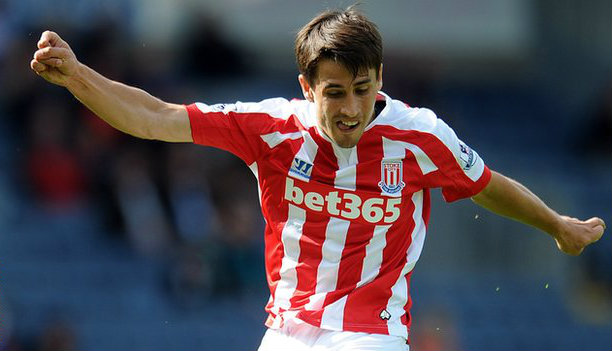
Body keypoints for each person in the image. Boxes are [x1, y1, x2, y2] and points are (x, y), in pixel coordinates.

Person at [30, 7, 605, 351]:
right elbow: (155, 117)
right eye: (335, 92)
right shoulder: (273, 128)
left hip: (372, 335)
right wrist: (80, 77)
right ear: (308, 87)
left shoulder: (421, 136)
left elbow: (488, 185)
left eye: (363, 88)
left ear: (379, 76)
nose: (352, 108)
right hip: (287, 331)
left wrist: (557, 225)